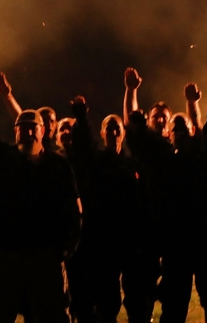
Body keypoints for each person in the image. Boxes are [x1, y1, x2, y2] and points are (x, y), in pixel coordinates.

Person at [0, 75, 81, 323]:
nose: (29, 131)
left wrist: (68, 245)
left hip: (45, 258)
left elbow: (74, 208)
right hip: (6, 257)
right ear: (15, 131)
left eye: (34, 127)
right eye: (23, 127)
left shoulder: (58, 165)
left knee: (50, 315)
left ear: (43, 132)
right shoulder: (5, 158)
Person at [66, 98, 156, 322]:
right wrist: (81, 117)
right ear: (102, 132)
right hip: (104, 240)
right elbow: (84, 145)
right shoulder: (96, 161)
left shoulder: (132, 164)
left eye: (117, 127)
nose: (114, 131)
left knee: (137, 299)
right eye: (109, 127)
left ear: (123, 134)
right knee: (107, 299)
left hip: (131, 241)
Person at [157, 100, 207, 323]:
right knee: (174, 306)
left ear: (192, 131)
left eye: (184, 129)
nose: (179, 133)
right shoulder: (166, 165)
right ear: (168, 134)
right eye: (175, 129)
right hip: (177, 247)